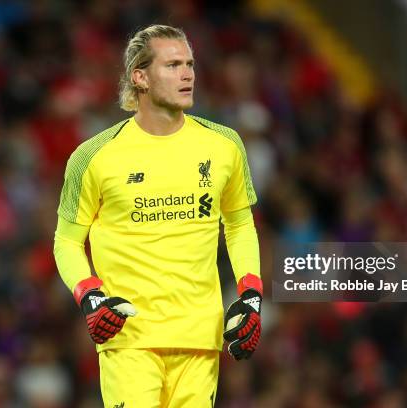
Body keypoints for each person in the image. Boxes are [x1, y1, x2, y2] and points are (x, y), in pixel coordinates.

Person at [53, 24, 262, 407]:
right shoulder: (94, 156)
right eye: (172, 65)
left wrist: (251, 296)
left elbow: (239, 223)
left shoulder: (225, 145)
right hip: (129, 338)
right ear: (140, 77)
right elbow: (66, 241)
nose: (187, 74)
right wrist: (90, 297)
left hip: (200, 339)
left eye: (190, 64)